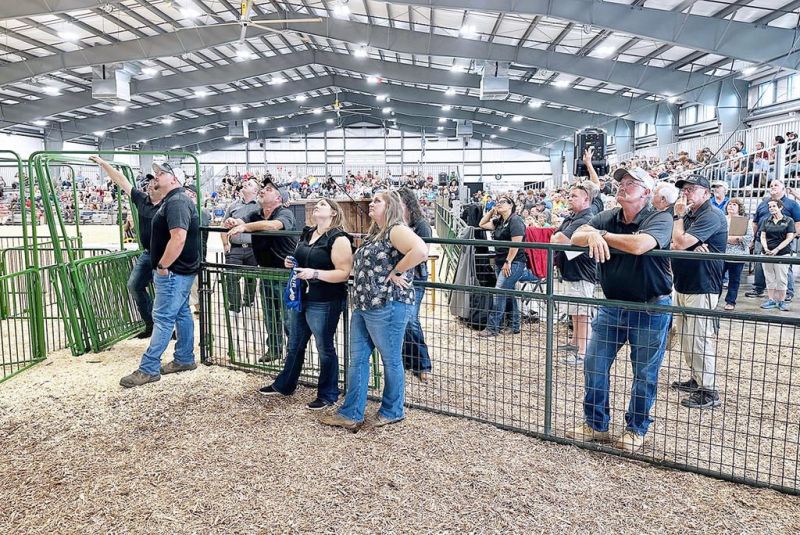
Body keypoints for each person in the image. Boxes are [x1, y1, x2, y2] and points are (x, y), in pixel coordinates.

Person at [568, 167, 673, 452]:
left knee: (645, 373)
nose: (623, 187)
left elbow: (641, 245)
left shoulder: (659, 217)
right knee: (594, 363)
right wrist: (592, 235)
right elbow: (576, 234)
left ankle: (636, 429)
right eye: (621, 182)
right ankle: (595, 424)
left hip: (650, 307)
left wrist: (600, 235)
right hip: (612, 306)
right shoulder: (609, 216)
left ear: (647, 192)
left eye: (631, 183)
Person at [320, 191, 428, 430]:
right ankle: (351, 413)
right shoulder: (375, 233)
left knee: (390, 360)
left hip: (387, 304)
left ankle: (392, 410)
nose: (371, 203)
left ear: (390, 206)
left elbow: (420, 251)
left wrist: (398, 271)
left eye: (377, 200)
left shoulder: (396, 229)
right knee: (357, 360)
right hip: (363, 304)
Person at [259, 198, 354, 410]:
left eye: (322, 204)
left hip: (326, 299)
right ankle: (284, 384)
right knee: (295, 342)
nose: (317, 206)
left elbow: (343, 273)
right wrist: (291, 262)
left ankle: (328, 393)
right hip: (302, 296)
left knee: (324, 346)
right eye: (316, 204)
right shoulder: (308, 233)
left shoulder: (338, 239)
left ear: (333, 213)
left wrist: (315, 273)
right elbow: (300, 258)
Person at [119, 162, 200, 388]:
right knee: (182, 312)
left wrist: (163, 265)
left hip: (174, 271)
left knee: (163, 318)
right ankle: (184, 358)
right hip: (181, 270)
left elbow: (178, 238)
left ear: (174, 179)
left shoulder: (176, 202)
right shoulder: (173, 201)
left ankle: (148, 368)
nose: (156, 176)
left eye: (161, 173)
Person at [669, 175, 728, 410]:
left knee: (699, 338)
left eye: (692, 189)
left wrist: (678, 221)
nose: (686, 194)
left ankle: (709, 390)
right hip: (684, 281)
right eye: (685, 190)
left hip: (703, 284)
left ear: (706, 193)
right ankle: (697, 378)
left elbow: (680, 243)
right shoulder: (692, 215)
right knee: (686, 336)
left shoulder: (711, 215)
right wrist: (684, 239)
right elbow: (674, 242)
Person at [89, 156, 163, 339]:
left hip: (164, 255)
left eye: (153, 183)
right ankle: (150, 324)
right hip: (147, 254)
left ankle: (167, 329)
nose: (148, 185)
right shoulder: (142, 200)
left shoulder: (169, 204)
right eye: (148, 183)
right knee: (134, 285)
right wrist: (103, 163)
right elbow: (121, 179)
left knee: (165, 293)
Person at [227, 179, 298, 361]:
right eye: (264, 189)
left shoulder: (285, 213)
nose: (263, 191)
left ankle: (294, 352)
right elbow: (241, 220)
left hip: (285, 274)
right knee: (269, 315)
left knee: (289, 317)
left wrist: (245, 227)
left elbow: (273, 226)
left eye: (268, 190)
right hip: (265, 271)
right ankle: (274, 349)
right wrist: (233, 221)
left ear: (278, 198)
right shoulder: (256, 213)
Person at [551, 182, 598, 365]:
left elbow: (560, 239)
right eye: (570, 196)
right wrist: (559, 238)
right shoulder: (572, 217)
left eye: (574, 196)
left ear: (586, 199)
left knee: (582, 313)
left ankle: (583, 352)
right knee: (574, 311)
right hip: (570, 269)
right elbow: (554, 236)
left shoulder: (586, 219)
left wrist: (559, 239)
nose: (570, 199)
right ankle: (575, 343)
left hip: (582, 270)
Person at [476, 193, 536, 337]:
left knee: (499, 292)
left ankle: (492, 328)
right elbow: (482, 224)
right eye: (498, 202)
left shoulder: (516, 221)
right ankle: (514, 325)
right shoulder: (499, 221)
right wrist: (491, 211)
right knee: (507, 293)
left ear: (511, 205)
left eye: (503, 202)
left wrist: (508, 262)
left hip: (514, 262)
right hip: (501, 261)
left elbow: (516, 244)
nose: (499, 204)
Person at [397, 188, 433, 382]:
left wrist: (399, 269)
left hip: (415, 278)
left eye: (398, 202)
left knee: (411, 320)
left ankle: (423, 364)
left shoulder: (421, 225)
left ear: (408, 204)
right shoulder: (396, 225)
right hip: (399, 278)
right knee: (402, 320)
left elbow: (422, 255)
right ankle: (407, 360)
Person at [745, 179, 800, 300]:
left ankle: (788, 293)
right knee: (760, 265)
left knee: (785, 268)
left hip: (782, 241)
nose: (773, 187)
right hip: (762, 240)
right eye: (771, 185)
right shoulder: (763, 204)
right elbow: (755, 223)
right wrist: (752, 239)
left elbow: (798, 223)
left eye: (776, 185)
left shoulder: (792, 204)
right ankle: (758, 289)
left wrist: (791, 237)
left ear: (783, 188)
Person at [222, 179, 261, 314]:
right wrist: (226, 244)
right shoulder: (233, 206)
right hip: (235, 247)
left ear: (255, 191)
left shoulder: (260, 207)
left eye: (249, 184)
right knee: (231, 276)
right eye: (245, 183)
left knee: (251, 277)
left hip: (253, 248)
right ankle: (234, 305)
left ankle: (249, 300)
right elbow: (223, 226)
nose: (245, 184)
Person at [758, 199, 796, 311]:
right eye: (769, 207)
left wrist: (777, 249)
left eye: (774, 206)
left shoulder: (789, 220)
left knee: (782, 278)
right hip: (767, 253)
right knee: (769, 278)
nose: (771, 208)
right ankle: (771, 300)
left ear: (780, 207)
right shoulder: (766, 220)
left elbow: (789, 238)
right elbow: (763, 236)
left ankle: (781, 301)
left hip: (782, 254)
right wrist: (765, 248)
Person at [721, 199, 753, 311]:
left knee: (734, 280)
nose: (731, 206)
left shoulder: (745, 221)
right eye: (729, 204)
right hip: (722, 254)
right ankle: (714, 299)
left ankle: (730, 301)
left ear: (739, 207)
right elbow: (717, 235)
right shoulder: (722, 219)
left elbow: (749, 237)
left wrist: (736, 239)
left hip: (738, 255)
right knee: (717, 278)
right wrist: (731, 239)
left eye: (734, 204)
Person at [184, 184, 210, 315]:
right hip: (190, 255)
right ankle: (199, 310)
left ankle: (201, 311)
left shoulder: (201, 212)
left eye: (186, 191)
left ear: (193, 195)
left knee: (195, 287)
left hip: (196, 255)